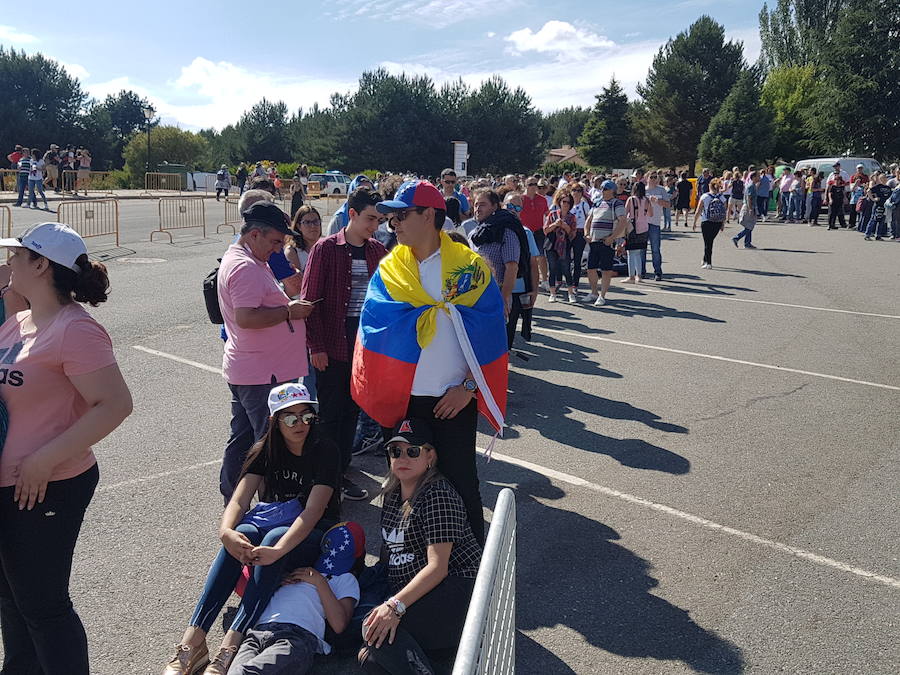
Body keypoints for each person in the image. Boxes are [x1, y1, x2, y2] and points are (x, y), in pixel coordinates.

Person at [0, 222, 133, 674]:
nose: (8, 262)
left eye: (17, 255)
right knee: (13, 600)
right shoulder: (20, 320)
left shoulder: (75, 330)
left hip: (48, 483)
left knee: (44, 607)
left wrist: (44, 459)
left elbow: (115, 404)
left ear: (40, 264)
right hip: (12, 483)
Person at [353, 181, 509, 544]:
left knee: (460, 485)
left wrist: (468, 389)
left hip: (454, 399)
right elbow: (373, 328)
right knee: (403, 485)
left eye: (402, 216)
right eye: (392, 218)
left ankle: (472, 574)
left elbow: (490, 336)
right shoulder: (391, 268)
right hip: (405, 400)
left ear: (429, 215)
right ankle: (404, 563)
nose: (394, 225)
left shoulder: (469, 269)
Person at [162, 383, 341, 675]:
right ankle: (193, 642)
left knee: (272, 536)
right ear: (274, 421)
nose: (301, 425)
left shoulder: (325, 449)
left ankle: (230, 644)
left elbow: (314, 511)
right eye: (291, 418)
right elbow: (240, 499)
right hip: (275, 529)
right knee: (243, 532)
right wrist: (226, 533)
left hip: (317, 534)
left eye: (306, 416)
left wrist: (278, 551)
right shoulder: (264, 449)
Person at [358, 418, 482, 675]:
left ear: (430, 457)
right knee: (370, 658)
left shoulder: (437, 494)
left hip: (456, 592)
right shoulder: (392, 494)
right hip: (420, 594)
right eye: (396, 451)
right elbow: (391, 551)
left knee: (376, 638)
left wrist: (393, 606)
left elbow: (438, 568)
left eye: (413, 451)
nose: (403, 457)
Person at [216, 202, 315, 502]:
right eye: (273, 241)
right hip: (260, 372)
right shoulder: (245, 266)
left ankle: (234, 497)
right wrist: (289, 312)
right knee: (268, 440)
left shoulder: (249, 260)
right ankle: (272, 502)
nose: (276, 250)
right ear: (254, 234)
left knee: (245, 437)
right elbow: (246, 317)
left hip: (254, 368)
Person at [301, 187, 387, 502]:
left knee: (352, 410)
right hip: (333, 343)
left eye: (378, 220)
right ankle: (324, 480)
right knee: (331, 414)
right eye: (369, 218)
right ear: (351, 215)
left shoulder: (378, 250)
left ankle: (341, 473)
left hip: (364, 347)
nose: (374, 225)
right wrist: (316, 347)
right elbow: (310, 302)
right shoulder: (325, 249)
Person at [228, 523, 364, 675]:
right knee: (237, 672)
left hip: (296, 637)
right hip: (258, 631)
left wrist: (320, 582)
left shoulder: (345, 578)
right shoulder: (303, 564)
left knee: (244, 673)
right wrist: (279, 582)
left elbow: (339, 624)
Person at [503, 193, 539, 348]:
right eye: (510, 206)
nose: (513, 210)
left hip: (518, 288)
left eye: (517, 207)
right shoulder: (492, 228)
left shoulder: (526, 232)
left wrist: (534, 290)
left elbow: (533, 264)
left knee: (510, 329)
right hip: (497, 287)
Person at [586, 180, 628, 306]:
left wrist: (612, 237)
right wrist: (586, 233)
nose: (602, 190)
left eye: (605, 188)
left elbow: (623, 221)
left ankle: (602, 295)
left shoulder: (617, 203)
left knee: (606, 270)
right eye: (602, 188)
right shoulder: (597, 203)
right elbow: (589, 219)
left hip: (606, 241)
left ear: (612, 190)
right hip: (593, 240)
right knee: (590, 268)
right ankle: (594, 292)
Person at [543, 189, 576, 302]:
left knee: (566, 269)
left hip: (565, 246)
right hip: (551, 245)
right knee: (552, 268)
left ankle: (571, 293)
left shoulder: (572, 217)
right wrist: (554, 224)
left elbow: (572, 234)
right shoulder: (552, 214)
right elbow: (545, 230)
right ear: (559, 202)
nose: (565, 204)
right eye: (563, 202)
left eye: (568, 202)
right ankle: (553, 293)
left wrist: (566, 227)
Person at [519, 177, 549, 290]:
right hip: (524, 231)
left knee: (541, 256)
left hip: (538, 230)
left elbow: (547, 214)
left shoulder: (542, 199)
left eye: (535, 184)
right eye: (531, 184)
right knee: (525, 256)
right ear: (526, 185)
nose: (534, 186)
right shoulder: (520, 199)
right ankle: (526, 279)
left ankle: (545, 280)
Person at [693, 177, 727, 269]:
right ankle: (705, 259)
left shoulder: (704, 196)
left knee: (708, 243)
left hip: (706, 221)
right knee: (710, 241)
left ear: (709, 186)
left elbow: (698, 211)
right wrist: (723, 223)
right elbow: (724, 211)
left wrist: (694, 222)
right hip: (718, 222)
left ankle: (708, 263)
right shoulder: (722, 197)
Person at [623, 180, 653, 284]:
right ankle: (639, 276)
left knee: (630, 253)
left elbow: (624, 213)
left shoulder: (631, 199)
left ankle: (631, 276)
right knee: (638, 253)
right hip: (644, 228)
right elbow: (650, 214)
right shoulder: (647, 200)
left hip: (632, 229)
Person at [643, 171, 669, 281]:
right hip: (643, 223)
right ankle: (641, 272)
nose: (654, 179)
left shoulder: (661, 190)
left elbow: (668, 205)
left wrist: (658, 201)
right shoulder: (643, 190)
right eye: (651, 177)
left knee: (655, 249)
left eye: (655, 177)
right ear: (647, 178)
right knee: (642, 249)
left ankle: (658, 272)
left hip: (655, 223)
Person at [569, 182, 591, 295]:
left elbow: (588, 219)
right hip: (568, 233)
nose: (576, 193)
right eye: (574, 190)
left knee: (577, 260)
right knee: (566, 259)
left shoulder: (584, 205)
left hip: (580, 233)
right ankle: (567, 282)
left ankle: (575, 284)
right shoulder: (568, 204)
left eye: (579, 191)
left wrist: (588, 233)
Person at [732, 171, 759, 249]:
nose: (759, 178)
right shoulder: (751, 186)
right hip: (748, 207)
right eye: (758, 176)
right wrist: (750, 209)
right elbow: (749, 198)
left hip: (749, 206)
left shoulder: (752, 185)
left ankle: (747, 243)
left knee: (749, 225)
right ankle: (737, 238)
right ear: (754, 177)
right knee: (749, 226)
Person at [865, 175, 893, 241]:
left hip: (885, 207)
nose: (885, 179)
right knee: (873, 220)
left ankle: (878, 236)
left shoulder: (888, 188)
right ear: (880, 179)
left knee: (882, 221)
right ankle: (867, 235)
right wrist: (873, 199)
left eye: (885, 178)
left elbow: (891, 196)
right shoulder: (878, 187)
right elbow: (868, 191)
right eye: (883, 178)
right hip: (877, 206)